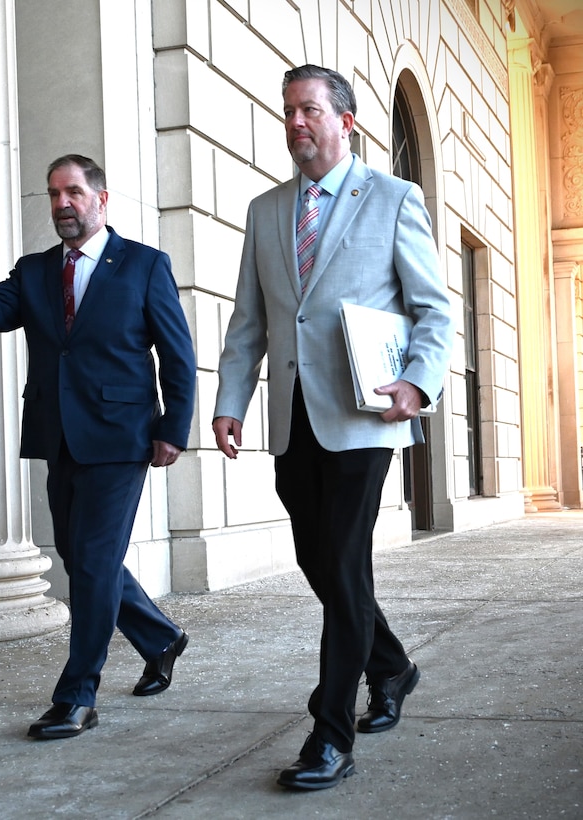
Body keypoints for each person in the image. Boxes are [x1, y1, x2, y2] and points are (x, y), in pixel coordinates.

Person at [213, 65, 453, 789]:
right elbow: (249, 322)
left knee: (344, 564)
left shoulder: (394, 197)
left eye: (309, 110)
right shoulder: (265, 210)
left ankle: (330, 733)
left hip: (364, 417)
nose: (296, 122)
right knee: (321, 563)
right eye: (288, 110)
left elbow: (434, 309)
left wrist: (417, 381)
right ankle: (393, 666)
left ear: (345, 121)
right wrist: (230, 401)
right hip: (295, 419)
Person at [0, 154, 196, 740]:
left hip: (121, 436)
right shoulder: (35, 270)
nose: (62, 203)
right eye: (53, 194)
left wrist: (173, 428)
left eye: (73, 192)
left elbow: (178, 354)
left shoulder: (144, 264)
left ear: (100, 199)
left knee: (91, 562)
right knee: (79, 554)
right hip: (58, 433)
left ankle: (77, 696)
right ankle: (160, 637)